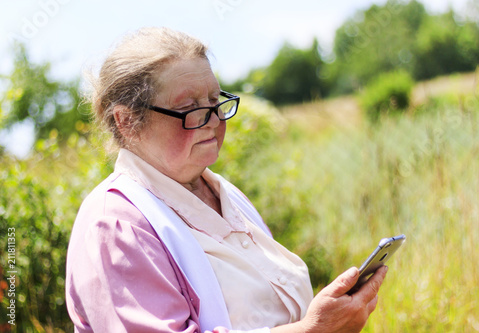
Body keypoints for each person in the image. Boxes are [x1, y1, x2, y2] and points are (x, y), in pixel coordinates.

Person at [65, 27, 388, 333]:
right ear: (127, 121)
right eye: (189, 107)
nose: (214, 119)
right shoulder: (115, 226)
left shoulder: (224, 194)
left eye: (214, 100)